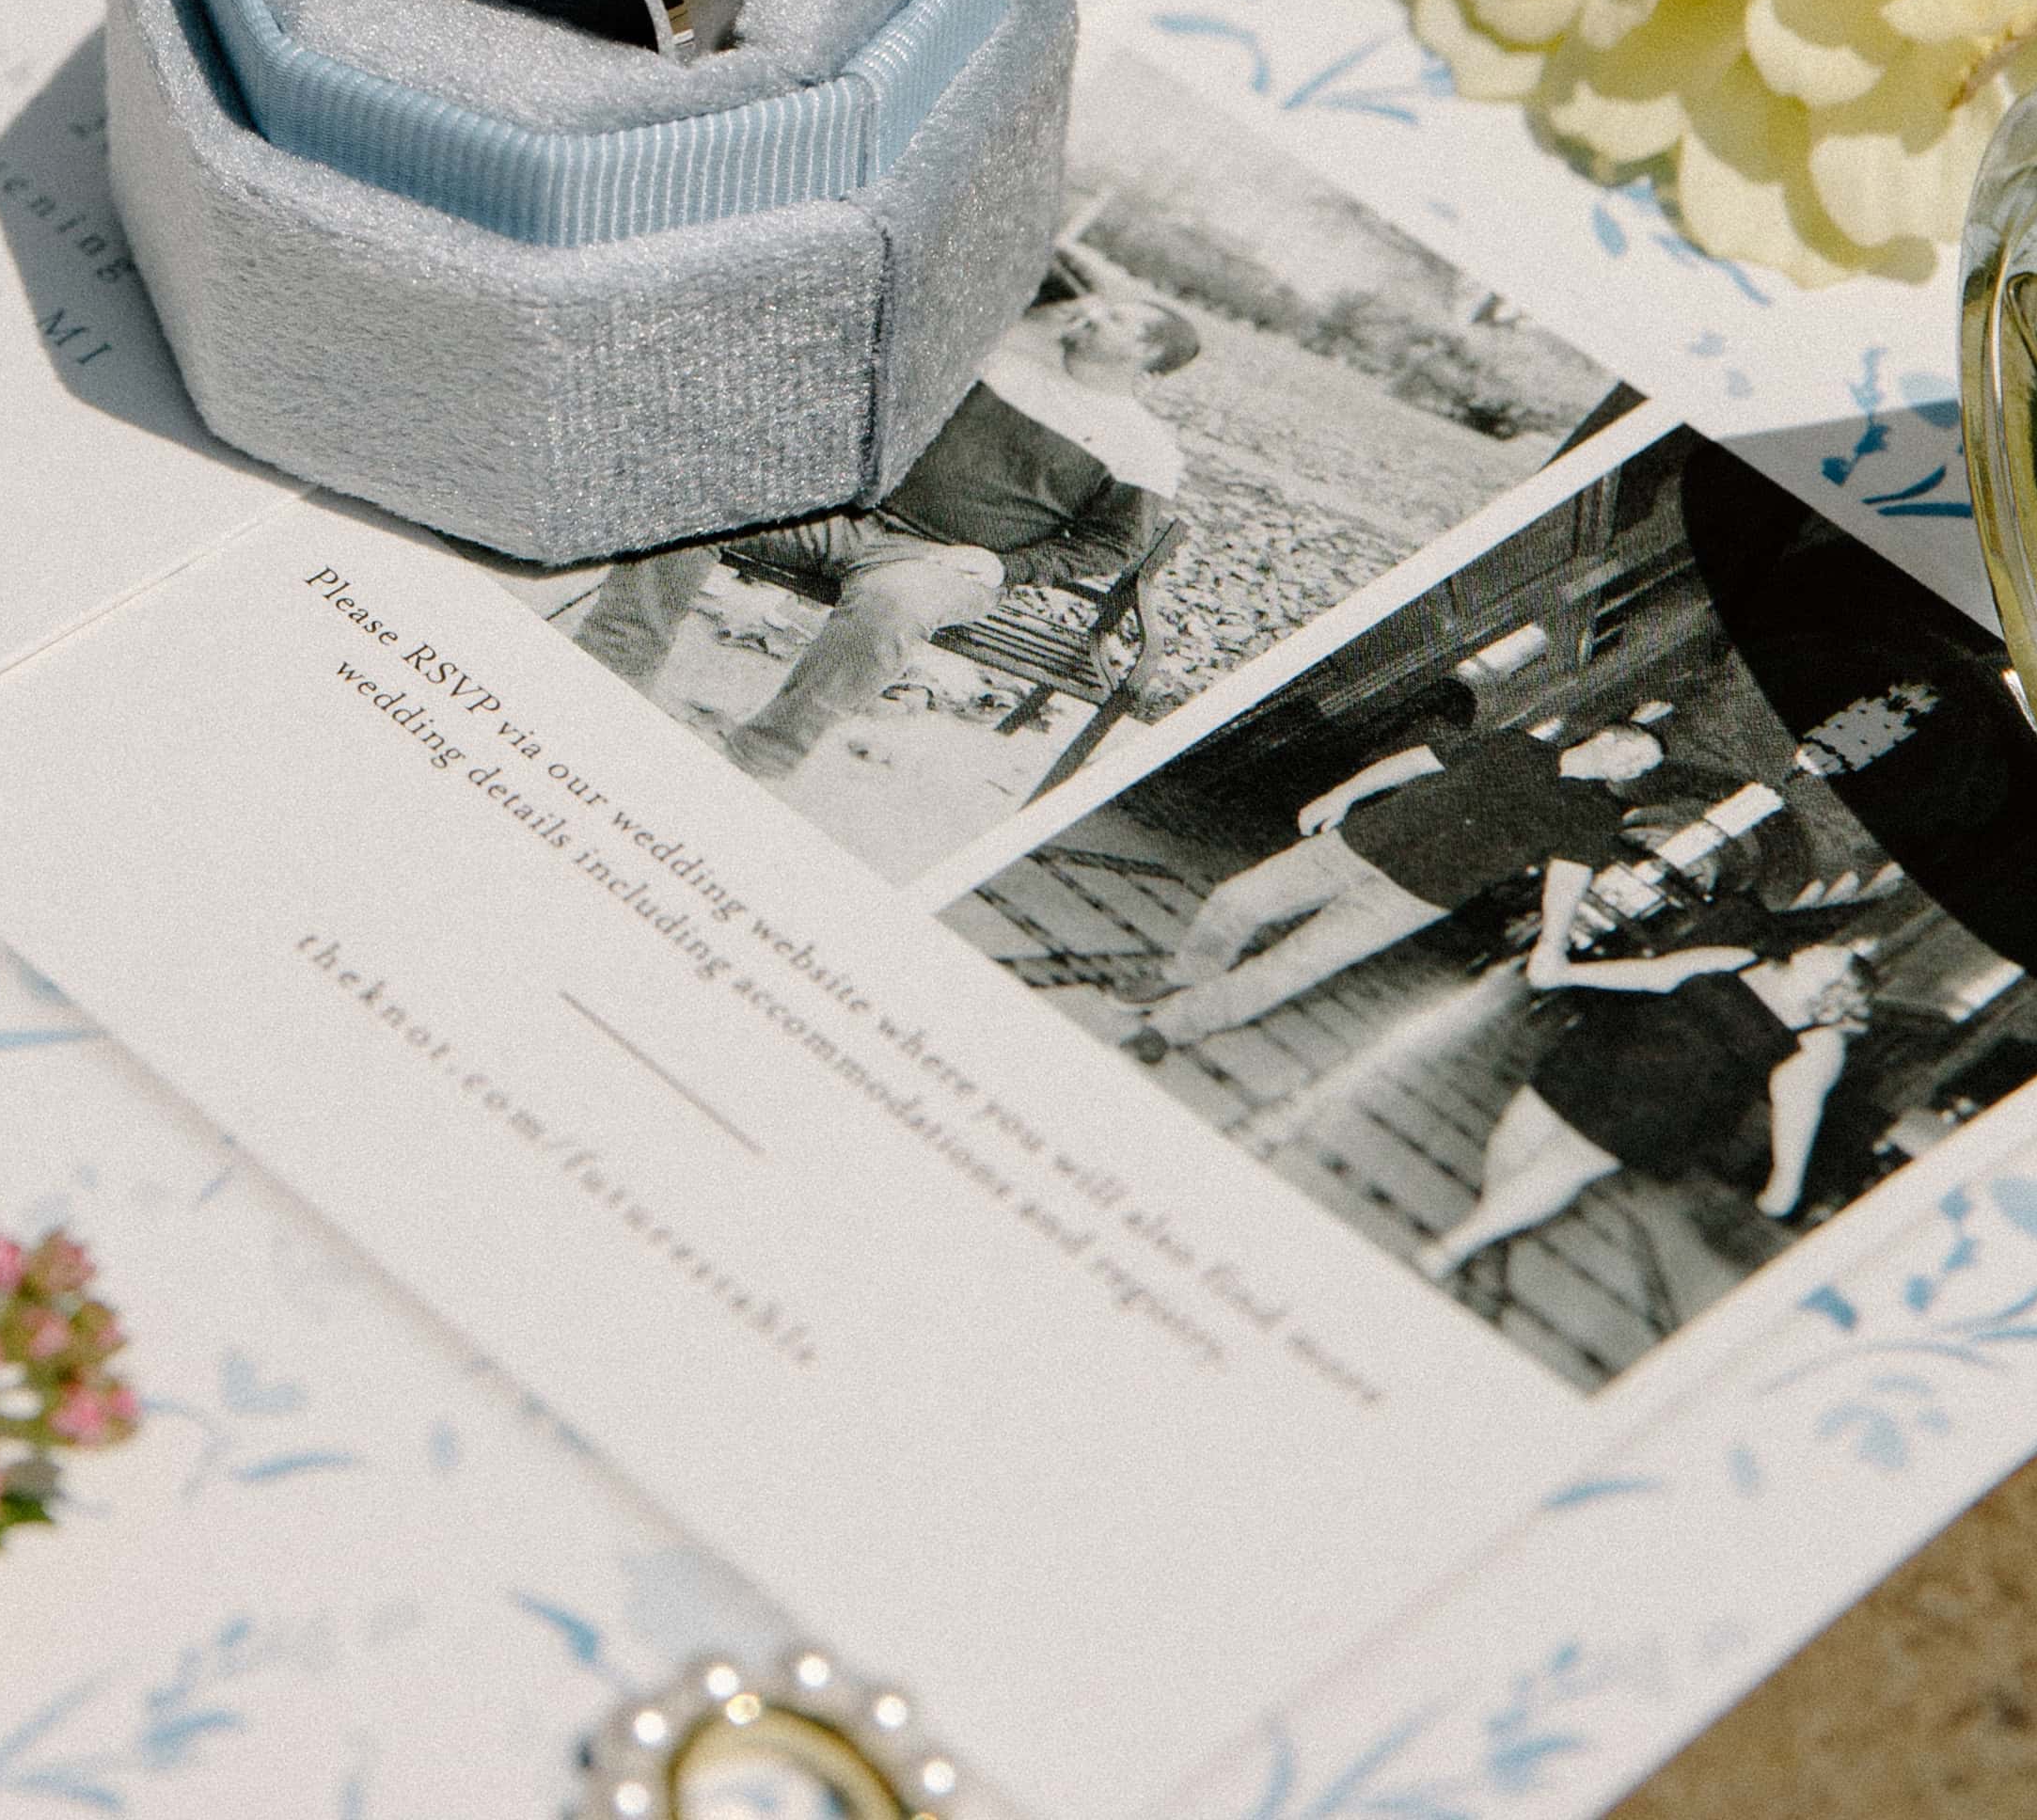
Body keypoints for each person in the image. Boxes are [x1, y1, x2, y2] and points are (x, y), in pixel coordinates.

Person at [576, 281, 1192, 783]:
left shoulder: (1144, 448)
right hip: (845, 516)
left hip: (938, 562)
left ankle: (760, 758)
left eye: (1115, 318)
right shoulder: (999, 363)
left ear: (1149, 358)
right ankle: (611, 671)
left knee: (894, 610)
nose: (1092, 314)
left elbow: (1111, 545)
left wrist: (1009, 568)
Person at [1142, 712, 1671, 1049]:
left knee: (1297, 965)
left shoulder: (1594, 814)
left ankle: (1172, 1027)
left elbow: (1568, 878)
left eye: (1642, 767)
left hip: (1417, 896)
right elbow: (1415, 762)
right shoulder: (1514, 746)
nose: (1634, 767)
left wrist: (1551, 945)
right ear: (1606, 736)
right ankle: (1187, 970)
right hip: (1358, 845)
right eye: (1635, 752)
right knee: (1238, 899)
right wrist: (1342, 794)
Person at [1417, 933, 1877, 1284]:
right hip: (1605, 1054)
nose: (1819, 947)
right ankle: (1494, 1218)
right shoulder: (1741, 959)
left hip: (1664, 1105)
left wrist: (1786, 1181)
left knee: (1562, 1166)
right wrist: (1567, 973)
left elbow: (1799, 1109)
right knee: (1512, 1141)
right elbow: (1654, 973)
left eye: (1834, 955)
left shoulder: (1819, 1042)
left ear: (1839, 988)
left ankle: (1456, 1244)